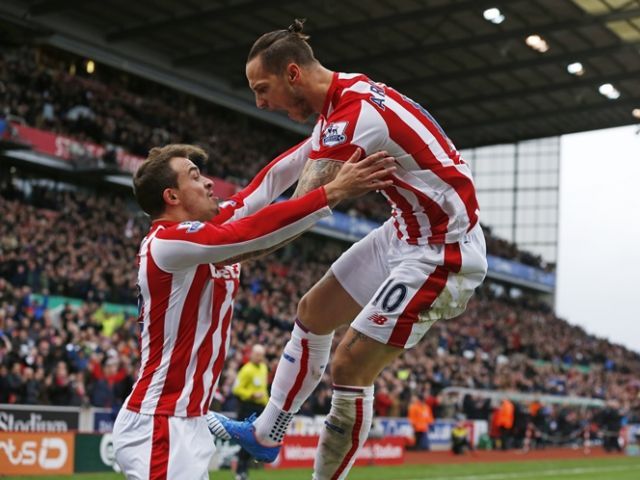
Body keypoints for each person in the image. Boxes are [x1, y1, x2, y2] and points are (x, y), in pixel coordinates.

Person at [210, 18, 488, 480]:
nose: (260, 102)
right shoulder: (344, 96)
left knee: (349, 365)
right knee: (314, 311)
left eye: (263, 89)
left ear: (292, 74)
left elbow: (299, 213)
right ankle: (266, 434)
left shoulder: (355, 116)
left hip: (443, 251)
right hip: (406, 231)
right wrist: (231, 212)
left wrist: (222, 252)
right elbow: (285, 168)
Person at [112, 143, 395, 479]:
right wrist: (332, 191)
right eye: (195, 177)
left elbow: (267, 185)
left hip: (184, 421)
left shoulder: (206, 230)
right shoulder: (167, 243)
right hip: (161, 423)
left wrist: (326, 136)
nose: (208, 183)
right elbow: (251, 232)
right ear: (172, 197)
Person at [232, 344, 269, 480]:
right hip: (248, 407)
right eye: (257, 354)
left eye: (262, 355)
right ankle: (240, 470)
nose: (260, 357)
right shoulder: (246, 370)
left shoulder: (264, 368)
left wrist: (267, 404)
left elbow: (263, 389)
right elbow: (236, 389)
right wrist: (252, 394)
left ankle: (244, 470)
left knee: (254, 440)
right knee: (247, 439)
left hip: (260, 408)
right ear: (252, 355)